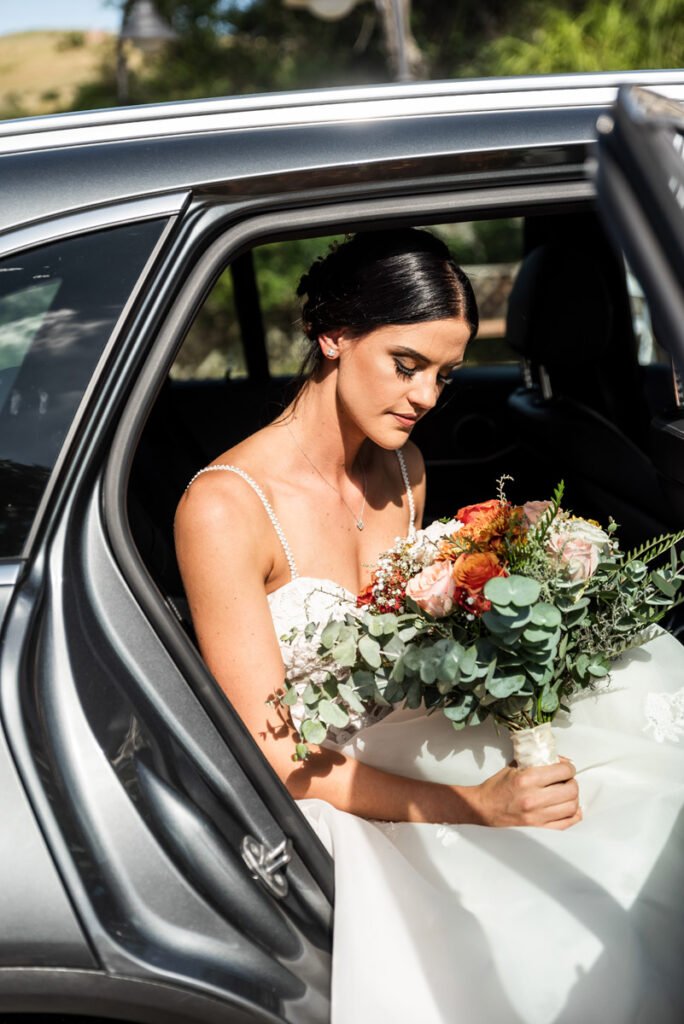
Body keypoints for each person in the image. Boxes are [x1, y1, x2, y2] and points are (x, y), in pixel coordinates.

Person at [175, 229, 684, 1023]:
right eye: (406, 364)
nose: (425, 398)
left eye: (444, 376)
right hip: (333, 786)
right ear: (333, 334)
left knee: (643, 800)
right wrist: (478, 805)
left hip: (421, 721)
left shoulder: (403, 468)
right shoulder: (224, 509)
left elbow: (419, 640)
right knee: (574, 919)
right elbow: (275, 757)